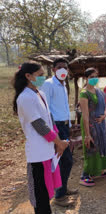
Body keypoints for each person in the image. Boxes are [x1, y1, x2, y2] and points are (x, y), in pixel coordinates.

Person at [13, 62, 69, 213]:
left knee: (46, 193)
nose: (43, 77)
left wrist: (57, 141)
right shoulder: (25, 97)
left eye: (44, 74)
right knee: (40, 196)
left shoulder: (39, 93)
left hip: (48, 150)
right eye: (40, 75)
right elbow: (39, 125)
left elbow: (49, 120)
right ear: (28, 76)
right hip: (37, 154)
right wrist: (58, 142)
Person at [40, 58, 77, 206]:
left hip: (64, 126)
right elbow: (45, 110)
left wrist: (68, 124)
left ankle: (63, 189)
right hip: (56, 127)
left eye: (65, 68)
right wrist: (54, 131)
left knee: (64, 161)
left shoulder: (63, 85)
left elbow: (63, 107)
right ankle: (59, 196)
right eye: (60, 67)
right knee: (65, 160)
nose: (63, 70)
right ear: (54, 69)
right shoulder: (48, 84)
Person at [79, 68, 106, 186]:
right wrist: (87, 135)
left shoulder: (99, 91)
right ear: (86, 78)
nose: (94, 79)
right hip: (89, 124)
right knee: (91, 147)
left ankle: (98, 169)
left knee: (101, 144)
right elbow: (85, 115)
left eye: (96, 76)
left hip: (100, 123)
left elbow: (105, 107)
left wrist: (103, 116)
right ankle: (85, 175)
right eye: (91, 77)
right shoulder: (84, 93)